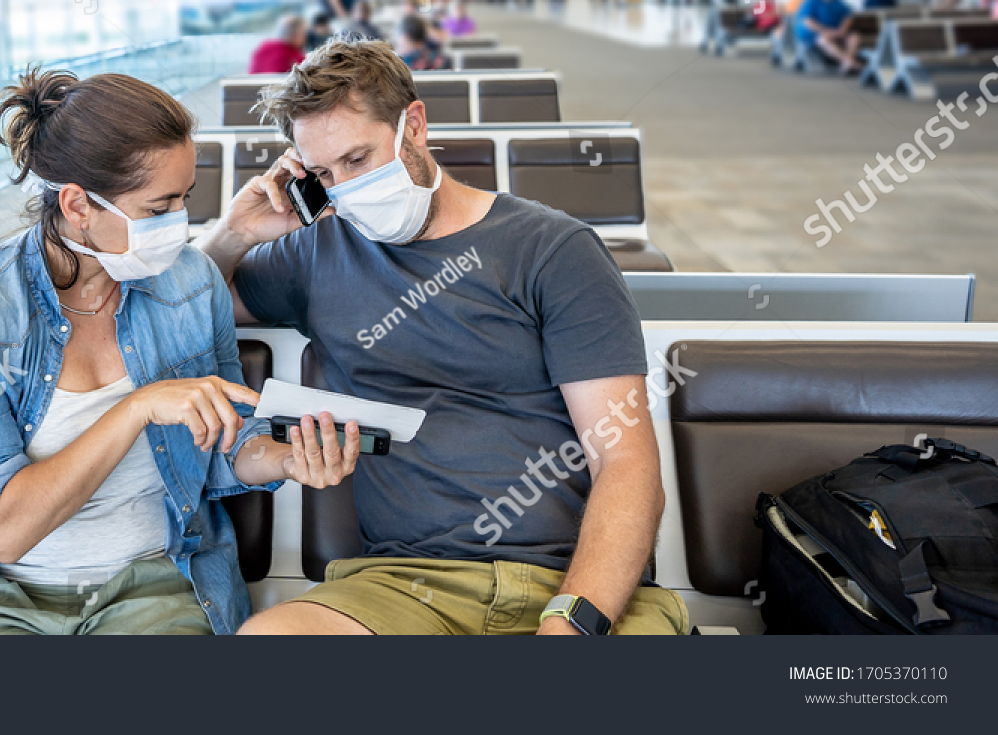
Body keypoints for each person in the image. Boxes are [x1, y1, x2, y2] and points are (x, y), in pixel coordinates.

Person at [196, 39, 687, 636]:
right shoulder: (316, 252)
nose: (345, 186)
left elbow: (625, 461)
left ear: (415, 125)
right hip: (402, 588)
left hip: (566, 580)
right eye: (324, 174)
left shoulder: (552, 250)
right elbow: (188, 311)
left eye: (358, 159)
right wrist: (234, 233)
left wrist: (571, 620)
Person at [0, 69, 356, 636]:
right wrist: (136, 408)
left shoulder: (191, 283)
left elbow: (222, 442)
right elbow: (5, 530)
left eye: (184, 200)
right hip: (2, 594)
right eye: (157, 208)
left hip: (156, 584)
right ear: (76, 205)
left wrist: (286, 461)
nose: (179, 225)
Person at [796, 0, 862, 74]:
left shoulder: (839, 1)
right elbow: (808, 22)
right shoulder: (812, 0)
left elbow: (848, 17)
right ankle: (849, 62)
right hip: (814, 34)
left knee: (854, 36)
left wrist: (843, 29)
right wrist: (828, 31)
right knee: (824, 39)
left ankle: (847, 63)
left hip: (836, 31)